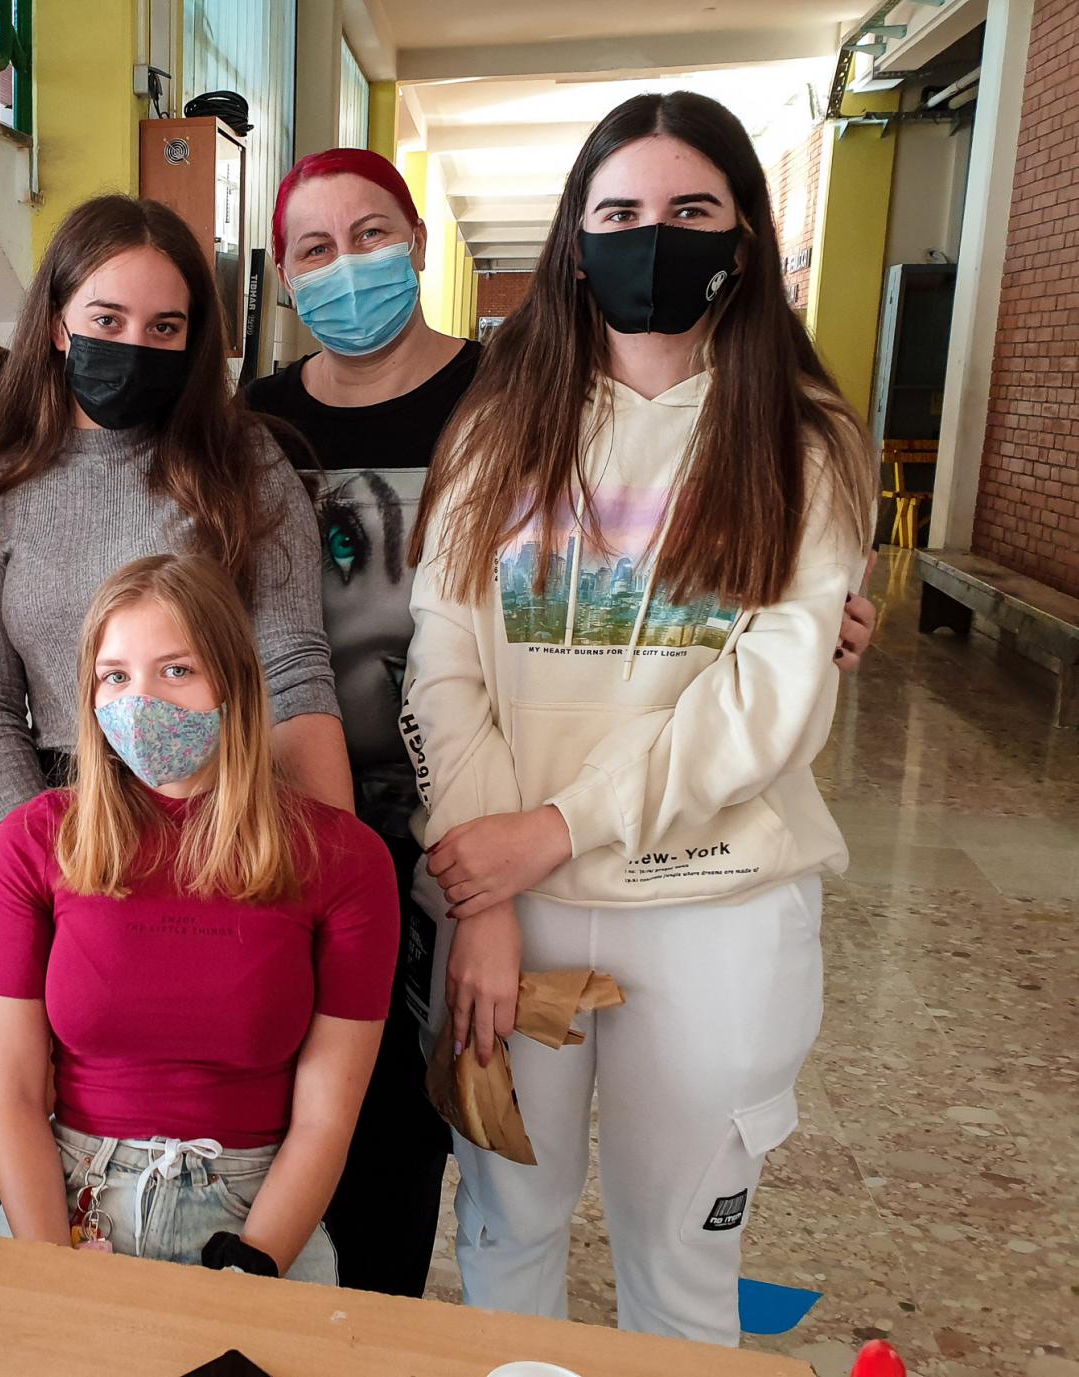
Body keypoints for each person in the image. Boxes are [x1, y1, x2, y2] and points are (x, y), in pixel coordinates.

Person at [250, 146, 882, 1300]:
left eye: (690, 209)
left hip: (628, 870)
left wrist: (531, 842)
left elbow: (770, 685)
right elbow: (446, 650)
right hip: (424, 841)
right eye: (619, 212)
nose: (653, 237)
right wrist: (484, 890)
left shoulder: (774, 432)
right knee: (484, 1213)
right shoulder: (462, 423)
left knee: (669, 1255)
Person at [0, 553, 396, 1280]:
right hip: (66, 1202)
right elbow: (11, 1095)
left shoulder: (344, 860)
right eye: (115, 676)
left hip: (256, 1212)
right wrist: (51, 1276)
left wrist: (251, 1268)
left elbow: (327, 1118)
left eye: (176, 670)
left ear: (233, 681)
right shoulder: (33, 842)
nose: (142, 702)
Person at [245, 146, 478, 1298]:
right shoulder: (259, 421)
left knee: (404, 1116)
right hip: (295, 809)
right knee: (293, 1088)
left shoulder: (508, 399)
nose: (345, 268)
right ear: (285, 275)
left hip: (461, 814)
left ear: (417, 242)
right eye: (315, 249)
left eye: (370, 236)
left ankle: (381, 1319)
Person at [0, 194, 351, 832]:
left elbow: (291, 666)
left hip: (226, 816)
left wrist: (332, 849)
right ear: (57, 326)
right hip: (67, 817)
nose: (134, 346)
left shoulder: (243, 462)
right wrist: (43, 850)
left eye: (163, 328)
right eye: (107, 320)